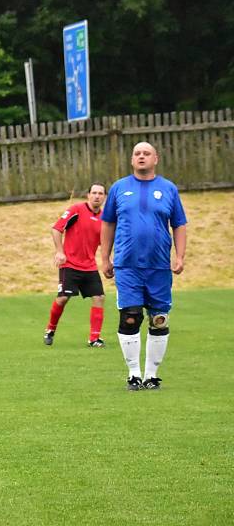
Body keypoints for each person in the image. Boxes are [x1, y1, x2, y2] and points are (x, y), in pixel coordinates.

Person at [100, 142, 187, 391]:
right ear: (131, 160)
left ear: (155, 159)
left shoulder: (168, 189)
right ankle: (133, 374)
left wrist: (179, 256)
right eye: (137, 153)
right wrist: (105, 258)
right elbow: (107, 224)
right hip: (127, 265)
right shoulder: (119, 188)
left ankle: (151, 375)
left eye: (146, 153)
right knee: (130, 317)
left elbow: (179, 224)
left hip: (159, 265)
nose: (141, 156)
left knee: (159, 319)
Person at [44, 183, 107, 347]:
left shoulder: (104, 218)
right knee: (63, 298)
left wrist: (108, 260)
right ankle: (50, 329)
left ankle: (94, 338)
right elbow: (56, 229)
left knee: (99, 298)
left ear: (104, 197)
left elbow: (105, 242)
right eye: (94, 193)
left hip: (89, 266)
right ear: (88, 195)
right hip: (70, 264)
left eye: (100, 193)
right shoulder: (76, 210)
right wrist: (60, 251)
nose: (97, 196)